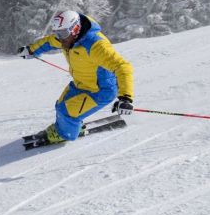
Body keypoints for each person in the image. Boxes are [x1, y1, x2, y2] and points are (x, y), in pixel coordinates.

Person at [17, 10, 134, 144]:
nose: (60, 38)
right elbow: (49, 42)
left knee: (66, 111)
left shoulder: (96, 45)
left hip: (100, 90)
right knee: (60, 104)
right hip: (81, 83)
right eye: (58, 33)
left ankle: (64, 134)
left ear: (76, 28)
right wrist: (31, 50)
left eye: (63, 34)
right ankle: (67, 126)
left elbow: (122, 66)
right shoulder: (67, 38)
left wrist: (126, 98)